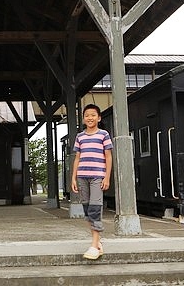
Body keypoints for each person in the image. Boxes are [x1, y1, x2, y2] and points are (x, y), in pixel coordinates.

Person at [70, 104, 113, 260]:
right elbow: (77, 158)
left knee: (95, 208)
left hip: (97, 177)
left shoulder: (104, 135)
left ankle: (94, 245)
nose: (90, 118)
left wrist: (107, 177)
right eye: (87, 115)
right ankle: (98, 242)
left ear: (99, 118)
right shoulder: (80, 137)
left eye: (93, 115)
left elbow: (108, 157)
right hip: (82, 176)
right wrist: (73, 178)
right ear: (83, 119)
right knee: (88, 210)